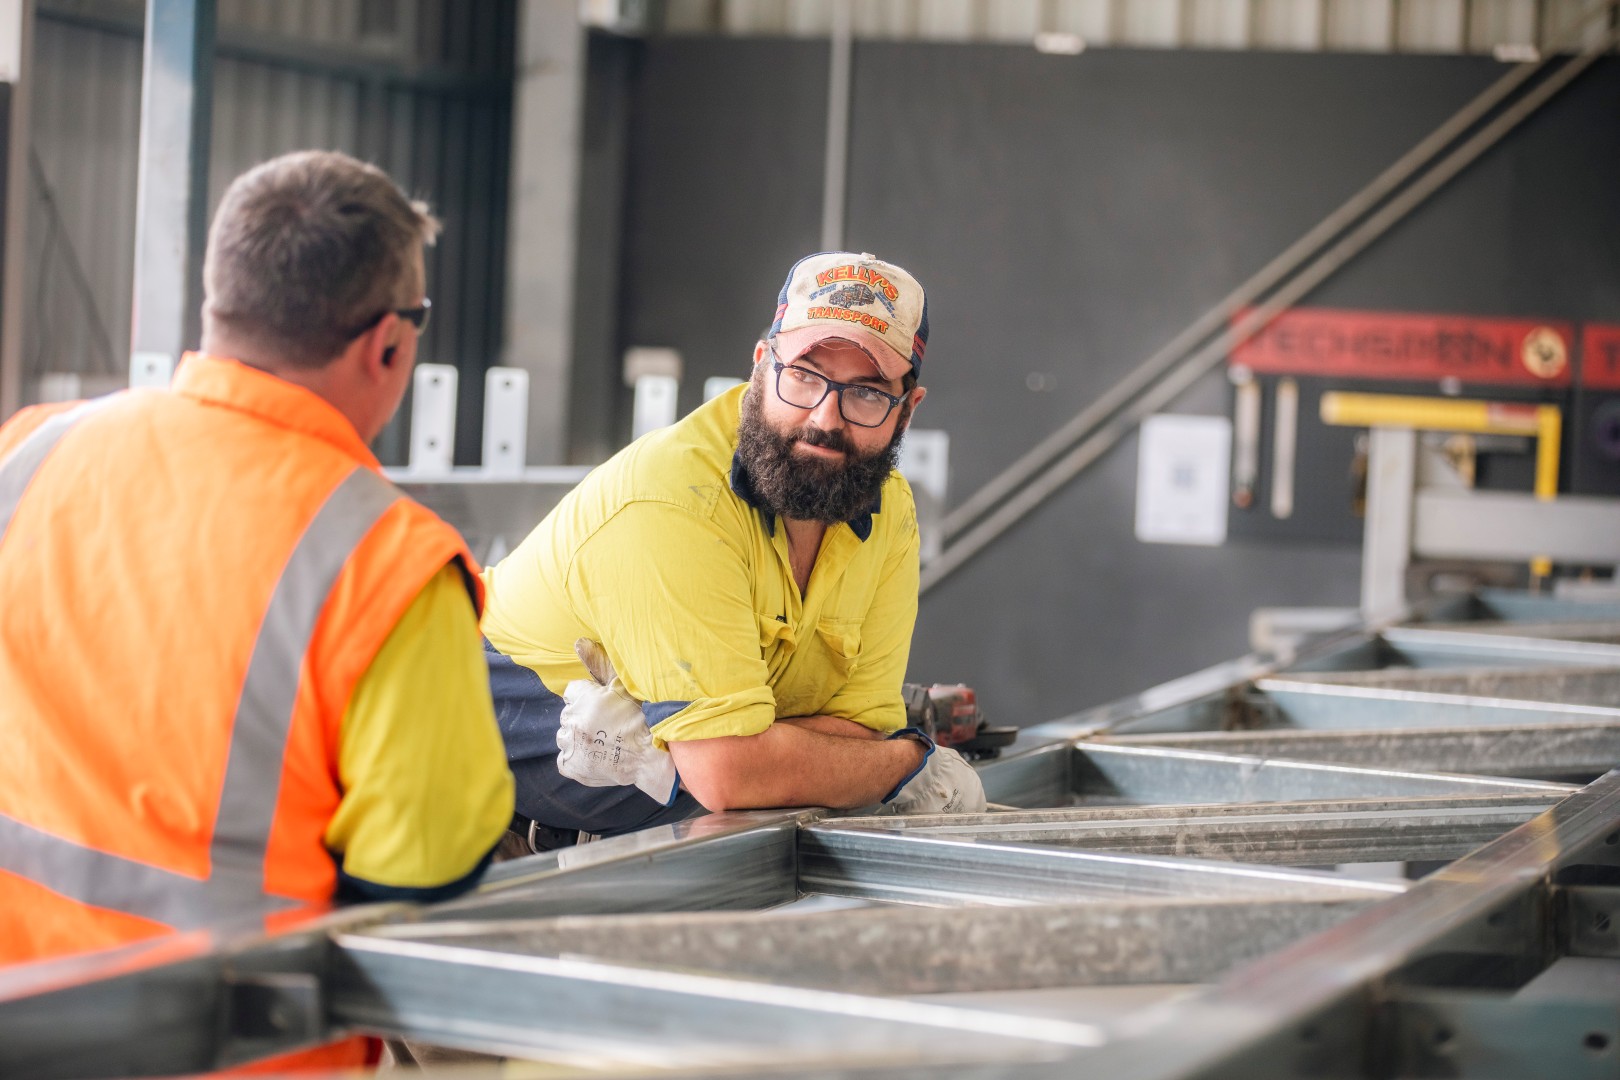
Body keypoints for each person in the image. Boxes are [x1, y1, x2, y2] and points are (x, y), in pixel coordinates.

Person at [0, 151, 514, 1061]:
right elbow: (425, 871)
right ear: (387, 343)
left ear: (219, 302)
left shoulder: (35, 452)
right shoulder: (385, 563)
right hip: (237, 1051)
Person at [482, 251, 984, 848]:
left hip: (646, 845)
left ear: (907, 411)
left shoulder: (889, 510)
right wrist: (907, 763)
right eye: (803, 374)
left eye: (868, 394)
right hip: (470, 825)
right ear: (760, 366)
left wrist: (759, 754)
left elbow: (862, 728)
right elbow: (729, 775)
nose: (825, 417)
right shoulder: (674, 501)